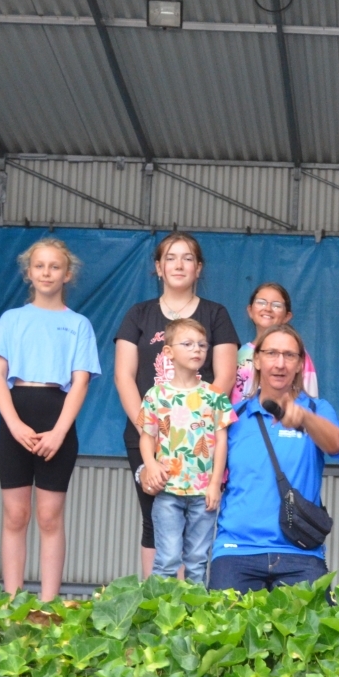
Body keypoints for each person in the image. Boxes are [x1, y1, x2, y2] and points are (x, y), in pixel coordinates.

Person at [114, 232, 238, 577]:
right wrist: (152, 432)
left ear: (199, 268)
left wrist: (192, 419)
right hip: (148, 434)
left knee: (196, 526)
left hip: (200, 439)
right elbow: (124, 376)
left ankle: (189, 602)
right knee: (155, 520)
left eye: (187, 258)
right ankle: (157, 599)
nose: (179, 265)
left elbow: (225, 376)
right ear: (158, 267)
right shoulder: (138, 314)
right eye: (170, 257)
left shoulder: (216, 314)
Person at [0, 238, 100, 601]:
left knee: (50, 516)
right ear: (28, 273)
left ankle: (49, 605)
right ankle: (12, 602)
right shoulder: (11, 319)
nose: (47, 272)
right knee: (15, 514)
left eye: (55, 266)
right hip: (16, 416)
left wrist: (59, 432)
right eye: (39, 266)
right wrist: (14, 424)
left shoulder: (79, 324)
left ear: (67, 274)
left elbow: (80, 382)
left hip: (58, 417)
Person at [209, 325, 339, 593]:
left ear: (300, 364)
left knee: (316, 619)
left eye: (289, 355)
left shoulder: (317, 409)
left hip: (300, 551)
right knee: (220, 619)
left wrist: (305, 418)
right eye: (271, 353)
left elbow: (334, 444)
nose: (280, 363)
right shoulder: (233, 415)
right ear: (257, 360)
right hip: (236, 548)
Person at [137, 318, 231, 587]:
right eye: (187, 344)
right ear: (168, 352)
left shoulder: (215, 396)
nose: (197, 349)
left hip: (203, 493)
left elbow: (221, 441)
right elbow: (146, 437)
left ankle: (194, 611)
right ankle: (161, 610)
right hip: (168, 490)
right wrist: (150, 466)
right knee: (167, 559)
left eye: (202, 345)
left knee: (197, 560)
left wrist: (215, 483)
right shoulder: (156, 395)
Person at [233, 282, 318, 405]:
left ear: (287, 316)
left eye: (277, 305)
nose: (268, 309)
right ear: (250, 310)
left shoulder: (296, 354)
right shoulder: (237, 354)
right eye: (261, 302)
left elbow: (311, 400)